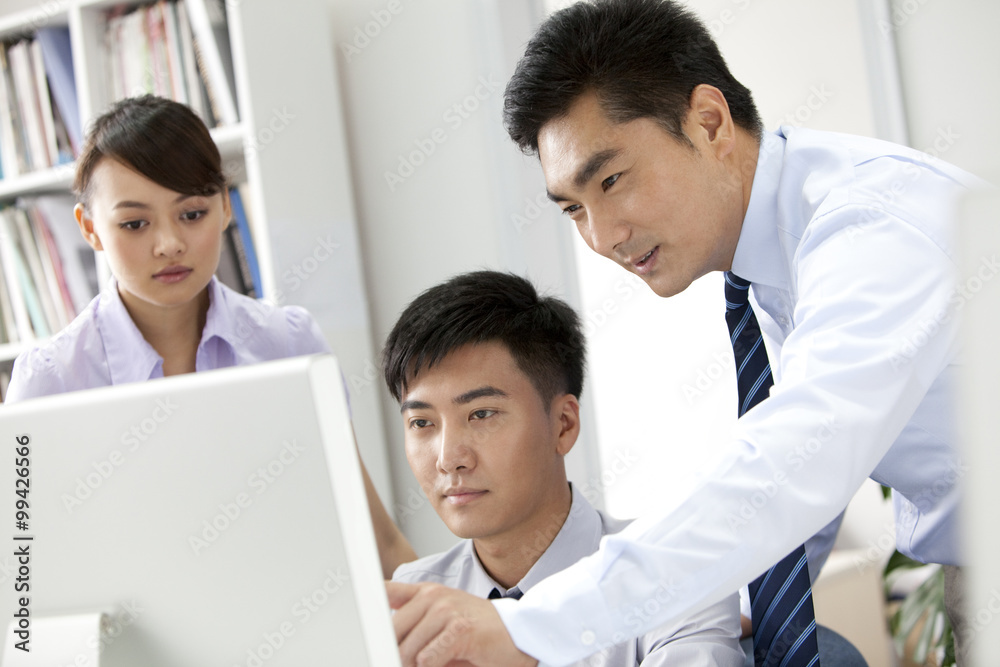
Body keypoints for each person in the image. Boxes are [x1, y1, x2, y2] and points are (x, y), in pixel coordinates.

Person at [386, 1, 987, 665]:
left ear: (708, 122)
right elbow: (809, 486)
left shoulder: (870, 230)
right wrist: (730, 608)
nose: (602, 236)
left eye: (612, 180)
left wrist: (529, 626)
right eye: (573, 209)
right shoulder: (781, 262)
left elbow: (789, 467)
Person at [5, 94, 415, 578]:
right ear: (90, 228)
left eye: (192, 213)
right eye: (135, 224)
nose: (169, 243)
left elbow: (370, 533)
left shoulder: (289, 344)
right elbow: (24, 575)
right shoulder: (49, 381)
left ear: (224, 206)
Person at [384, 270, 744, 666]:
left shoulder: (671, 571)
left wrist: (526, 647)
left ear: (563, 425)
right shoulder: (412, 597)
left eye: (481, 414)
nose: (448, 457)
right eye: (421, 423)